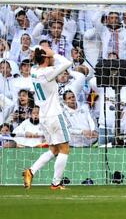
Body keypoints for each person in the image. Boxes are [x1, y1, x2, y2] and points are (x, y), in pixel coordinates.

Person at [22, 46, 72, 190]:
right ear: (45, 58)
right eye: (49, 57)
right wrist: (54, 53)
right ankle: (56, 183)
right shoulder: (48, 72)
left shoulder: (34, 71)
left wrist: (45, 52)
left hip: (43, 116)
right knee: (64, 149)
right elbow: (67, 63)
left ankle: (31, 171)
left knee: (54, 149)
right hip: (54, 114)